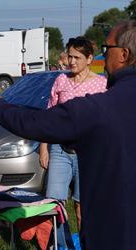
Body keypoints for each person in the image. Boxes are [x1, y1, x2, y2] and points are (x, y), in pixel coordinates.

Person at [0, 20, 136, 250]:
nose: (103, 61)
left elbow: (33, 124)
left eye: (106, 50)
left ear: (124, 54)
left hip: (113, 237)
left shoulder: (96, 108)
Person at [39, 36, 107, 248]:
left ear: (89, 58)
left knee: (82, 208)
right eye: (69, 56)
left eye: (77, 57)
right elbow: (49, 115)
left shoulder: (102, 84)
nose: (71, 61)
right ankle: (63, 245)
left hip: (89, 154)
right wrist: (44, 147)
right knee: (53, 205)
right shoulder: (61, 80)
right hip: (60, 150)